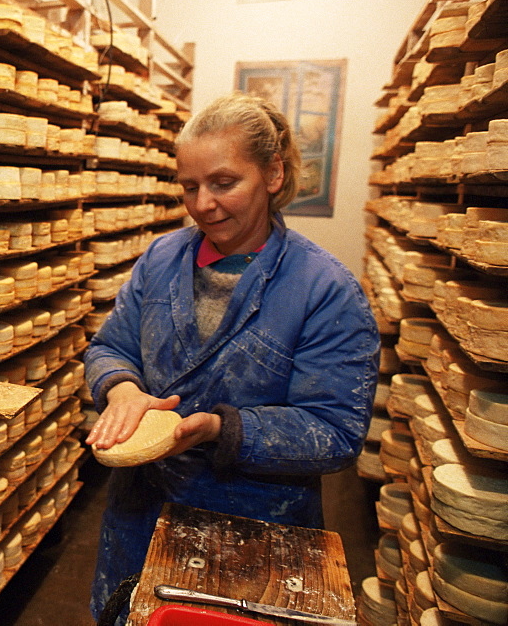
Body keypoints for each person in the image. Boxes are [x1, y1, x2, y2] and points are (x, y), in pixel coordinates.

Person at [83, 92, 380, 622]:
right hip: (139, 512)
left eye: (224, 183)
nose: (202, 204)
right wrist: (122, 387)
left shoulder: (324, 287)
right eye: (190, 186)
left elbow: (335, 433)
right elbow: (111, 345)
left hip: (253, 528)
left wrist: (224, 430)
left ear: (272, 174)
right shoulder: (161, 258)